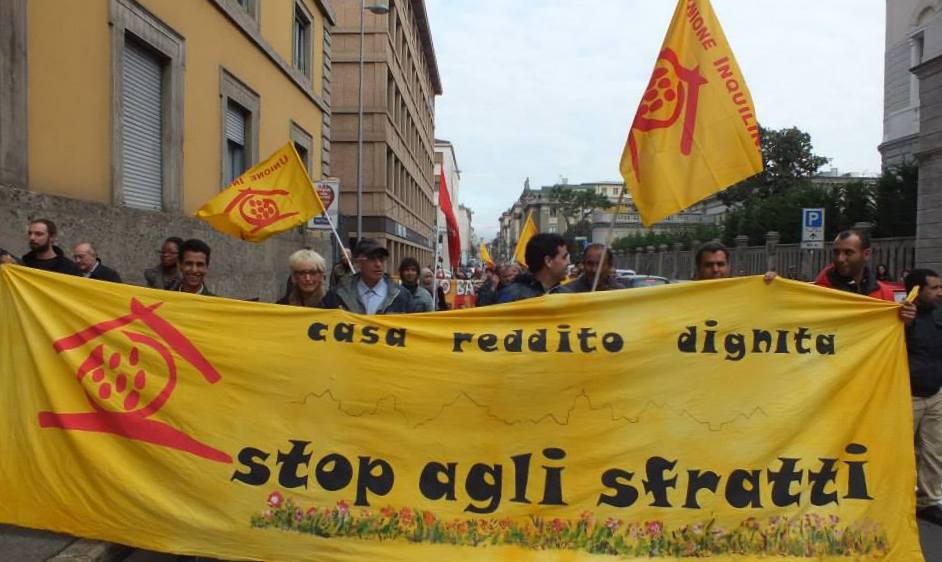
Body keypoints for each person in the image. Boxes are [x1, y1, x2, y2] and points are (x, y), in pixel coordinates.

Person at [902, 269, 942, 526]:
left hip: (935, 394)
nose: (940, 292)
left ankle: (927, 502)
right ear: (917, 290)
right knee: (902, 451)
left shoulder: (938, 314)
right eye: (935, 288)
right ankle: (896, 498)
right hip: (907, 397)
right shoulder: (900, 318)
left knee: (934, 452)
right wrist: (903, 323)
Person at [319, 239, 413, 314]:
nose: (378, 264)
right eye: (372, 259)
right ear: (359, 262)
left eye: (381, 259)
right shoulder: (338, 295)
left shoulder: (402, 296)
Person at [813, 230, 895, 301]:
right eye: (836, 252)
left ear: (866, 254)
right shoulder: (818, 292)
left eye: (848, 252)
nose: (840, 259)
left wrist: (903, 317)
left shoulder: (885, 294)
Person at [497, 233, 570, 303]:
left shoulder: (569, 297)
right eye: (564, 257)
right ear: (548, 261)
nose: (568, 263)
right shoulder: (511, 296)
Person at [558, 243, 624, 293]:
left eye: (600, 264)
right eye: (589, 263)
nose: (594, 270)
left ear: (610, 266)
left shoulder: (621, 293)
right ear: (583, 264)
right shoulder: (566, 292)